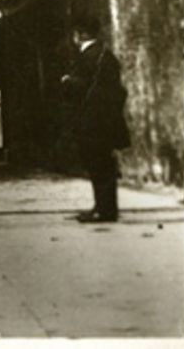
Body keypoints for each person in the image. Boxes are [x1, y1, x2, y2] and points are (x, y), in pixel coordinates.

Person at [61, 15, 129, 223]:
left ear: (80, 35)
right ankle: (103, 207)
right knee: (101, 164)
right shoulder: (106, 55)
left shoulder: (89, 57)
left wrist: (68, 82)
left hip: (92, 121)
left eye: (75, 34)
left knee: (98, 165)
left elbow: (85, 87)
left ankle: (105, 210)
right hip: (104, 120)